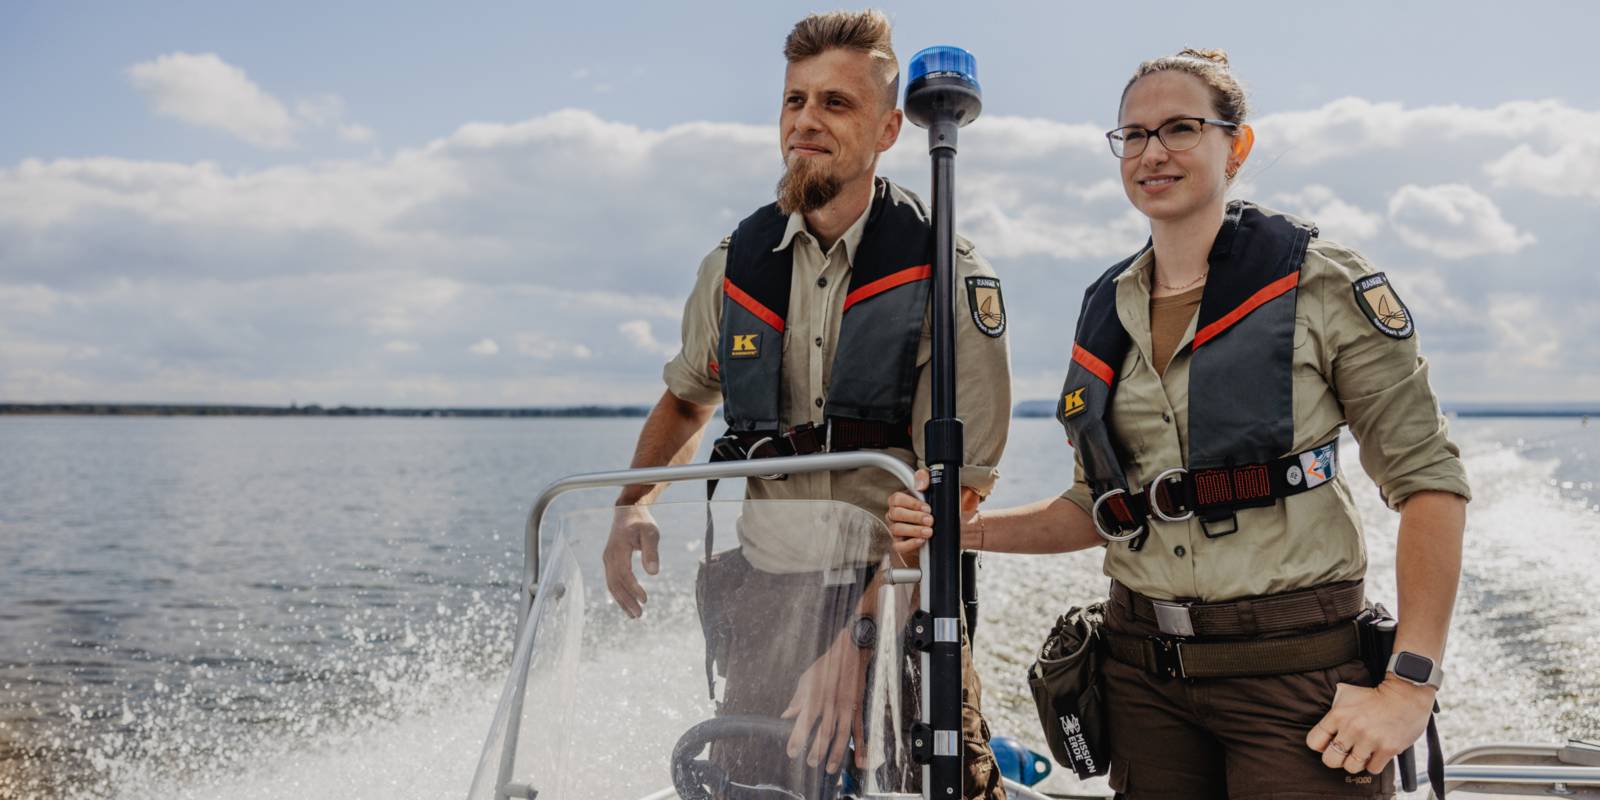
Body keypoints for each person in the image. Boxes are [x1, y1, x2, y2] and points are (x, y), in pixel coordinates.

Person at [886, 48, 1470, 799]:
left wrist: (1409, 687)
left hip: (1294, 677)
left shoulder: (1323, 284)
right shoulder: (1106, 308)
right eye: (1133, 135)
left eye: (1180, 129)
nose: (1152, 152)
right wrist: (960, 529)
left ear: (1237, 145)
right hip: (1144, 683)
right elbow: (1098, 507)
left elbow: (1429, 482)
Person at [602, 10, 1013, 798]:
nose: (806, 121)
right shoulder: (735, 265)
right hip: (768, 598)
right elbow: (686, 401)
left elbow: (957, 490)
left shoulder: (949, 271)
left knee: (936, 784)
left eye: (835, 103)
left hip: (900, 593)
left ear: (888, 129)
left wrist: (860, 640)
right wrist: (633, 503)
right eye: (795, 100)